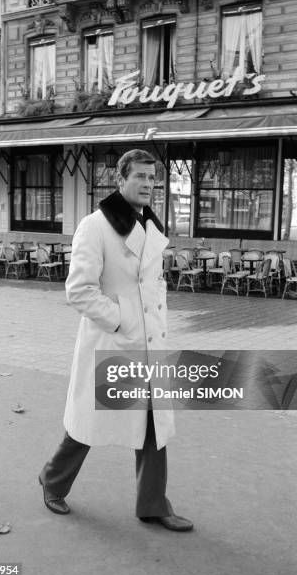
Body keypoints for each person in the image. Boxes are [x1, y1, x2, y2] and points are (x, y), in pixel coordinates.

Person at [39, 149, 193, 532]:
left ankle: (153, 504)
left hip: (148, 344)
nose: (147, 184)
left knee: (154, 425)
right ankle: (53, 480)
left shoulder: (151, 225)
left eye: (152, 178)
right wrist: (124, 322)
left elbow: (153, 285)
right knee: (89, 425)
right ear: (120, 179)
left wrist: (155, 324)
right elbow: (79, 290)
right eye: (139, 176)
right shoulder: (95, 226)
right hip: (114, 342)